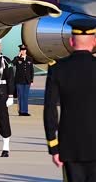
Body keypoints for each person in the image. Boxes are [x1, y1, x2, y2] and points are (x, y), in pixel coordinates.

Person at [44, 19, 96, 182]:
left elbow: (50, 109)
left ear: (71, 41)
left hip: (70, 147)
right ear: (94, 41)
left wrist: (53, 146)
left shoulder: (58, 68)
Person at [12, 44, 34, 116]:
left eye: (24, 50)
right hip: (19, 80)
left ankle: (25, 111)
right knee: (20, 96)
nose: (23, 51)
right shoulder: (17, 59)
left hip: (27, 81)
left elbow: (31, 70)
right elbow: (12, 64)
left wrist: (31, 80)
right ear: (20, 51)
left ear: (26, 51)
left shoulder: (29, 59)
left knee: (25, 96)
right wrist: (18, 57)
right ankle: (21, 111)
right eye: (22, 50)